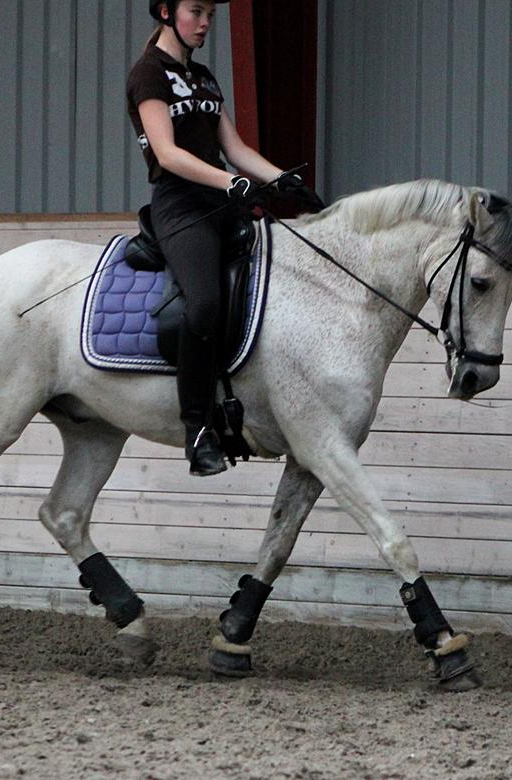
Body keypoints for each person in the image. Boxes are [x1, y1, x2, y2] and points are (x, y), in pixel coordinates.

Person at [127, 0, 324, 476]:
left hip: (220, 203)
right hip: (181, 207)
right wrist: (229, 183)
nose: (205, 24)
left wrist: (284, 181)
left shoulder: (204, 76)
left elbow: (233, 149)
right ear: (165, 11)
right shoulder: (147, 74)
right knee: (205, 304)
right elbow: (169, 154)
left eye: (211, 15)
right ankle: (197, 429)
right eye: (196, 11)